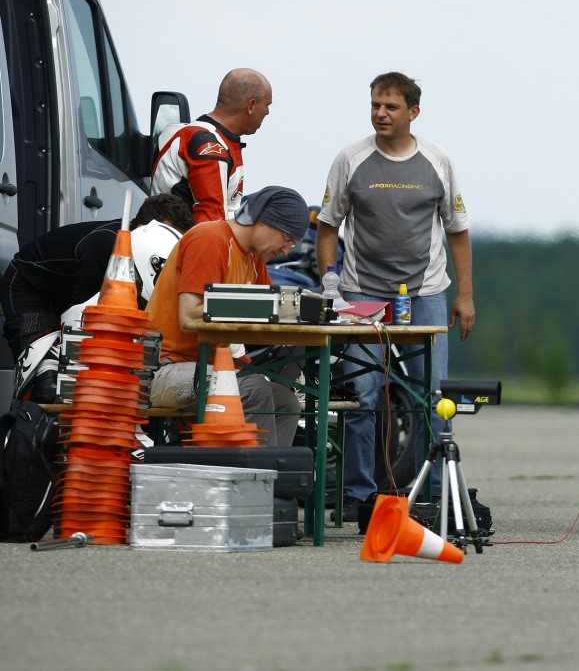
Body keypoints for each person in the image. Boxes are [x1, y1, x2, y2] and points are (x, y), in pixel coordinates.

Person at [316, 71, 475, 519]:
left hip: (424, 292)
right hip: (360, 292)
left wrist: (465, 296)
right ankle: (357, 493)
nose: (380, 114)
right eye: (374, 106)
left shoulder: (438, 160)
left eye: (390, 107)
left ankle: (435, 491)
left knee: (434, 395)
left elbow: (458, 232)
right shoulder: (351, 158)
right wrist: (330, 283)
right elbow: (327, 226)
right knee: (361, 394)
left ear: (413, 112)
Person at [146, 186, 309, 447]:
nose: (287, 250)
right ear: (265, 221)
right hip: (164, 367)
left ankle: (274, 483)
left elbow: (274, 308)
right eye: (287, 239)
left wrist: (309, 305)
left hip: (208, 367)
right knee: (254, 390)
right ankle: (255, 482)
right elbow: (188, 316)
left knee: (285, 402)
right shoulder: (210, 238)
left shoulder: (253, 258)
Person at [1, 194, 194, 402]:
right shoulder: (105, 243)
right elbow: (80, 319)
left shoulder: (132, 250)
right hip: (28, 287)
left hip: (63, 293)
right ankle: (24, 430)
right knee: (44, 384)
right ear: (146, 227)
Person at [151, 68, 273, 223]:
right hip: (180, 243)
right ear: (251, 105)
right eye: (267, 105)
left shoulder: (185, 132)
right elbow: (210, 225)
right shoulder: (211, 147)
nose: (268, 112)